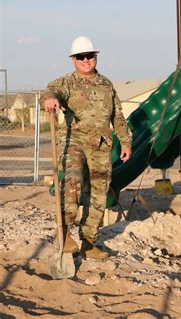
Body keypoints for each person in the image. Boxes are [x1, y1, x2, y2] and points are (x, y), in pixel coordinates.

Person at [43, 36, 132, 260]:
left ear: (95, 57)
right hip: (74, 141)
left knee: (99, 193)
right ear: (73, 60)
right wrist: (51, 99)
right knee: (72, 181)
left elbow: (118, 116)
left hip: (100, 146)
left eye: (89, 56)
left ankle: (89, 242)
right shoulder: (67, 82)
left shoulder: (106, 84)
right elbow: (51, 90)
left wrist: (126, 141)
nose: (85, 60)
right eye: (80, 57)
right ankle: (64, 232)